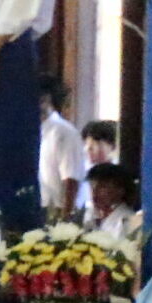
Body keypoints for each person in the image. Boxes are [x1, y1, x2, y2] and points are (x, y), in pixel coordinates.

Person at [37, 77, 87, 221]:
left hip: (57, 211)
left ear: (45, 99)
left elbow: (71, 179)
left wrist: (65, 219)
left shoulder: (63, 131)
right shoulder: (34, 131)